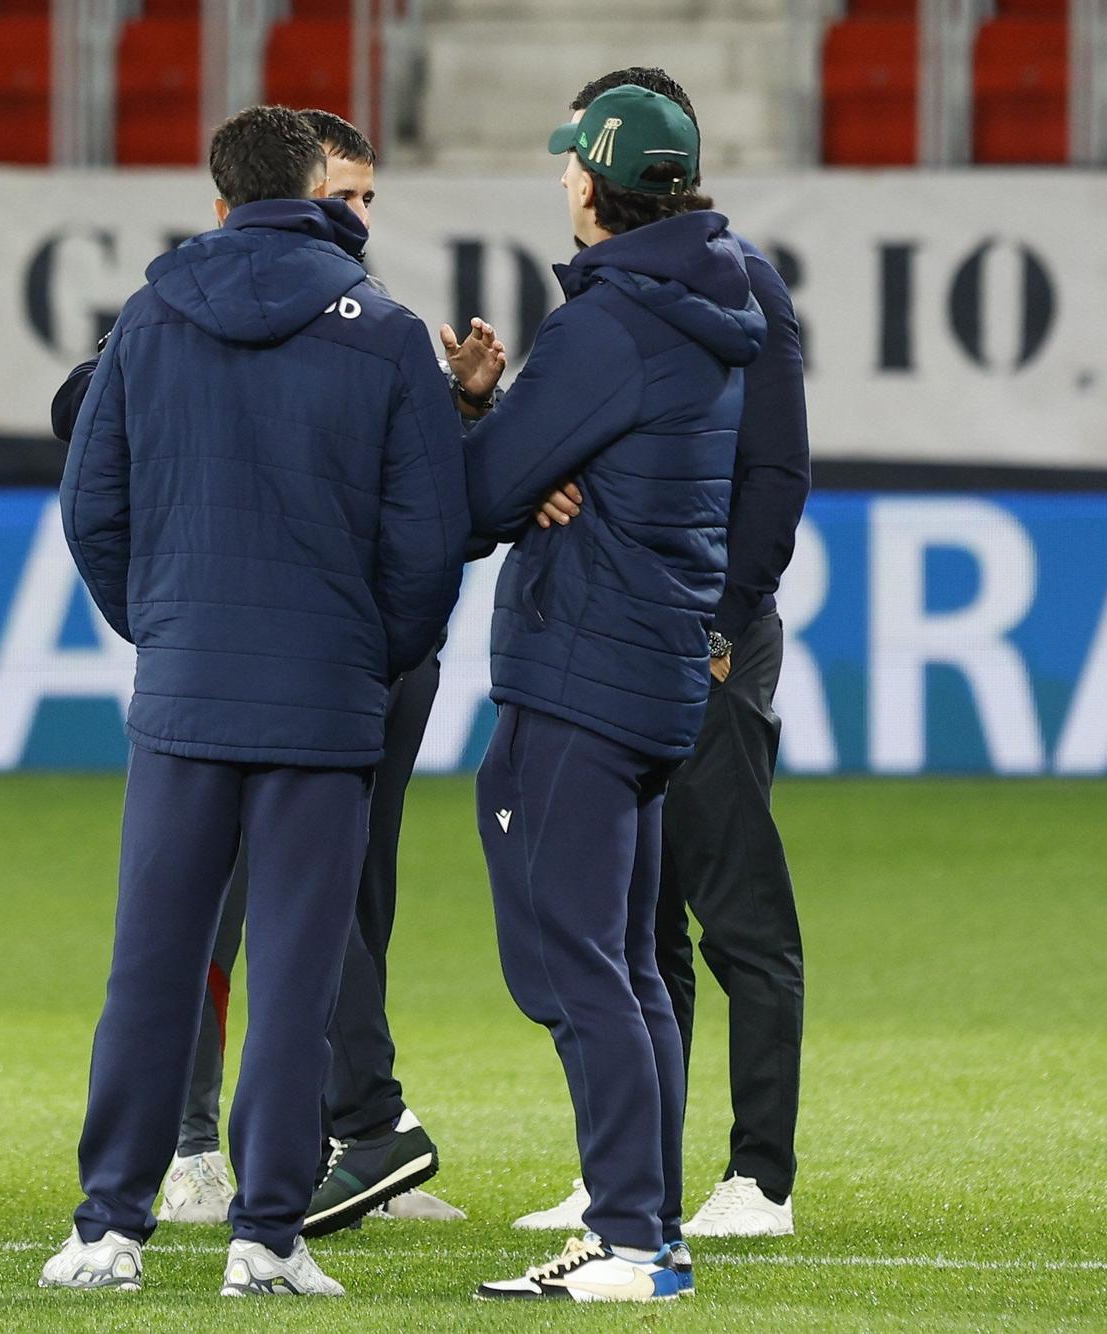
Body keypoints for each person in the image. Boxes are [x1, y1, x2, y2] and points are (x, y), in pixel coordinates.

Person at [38, 105, 469, 1298]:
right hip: (323, 704)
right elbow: (426, 541)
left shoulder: (148, 317)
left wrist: (164, 627)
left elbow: (91, 502)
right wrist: (367, 653)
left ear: (220, 199)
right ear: (322, 198)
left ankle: (107, 1228)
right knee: (292, 977)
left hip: (185, 691)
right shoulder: (387, 334)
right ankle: (267, 1238)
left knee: (151, 967)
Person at [457, 86, 766, 1301]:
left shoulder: (607, 324)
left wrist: (486, 422)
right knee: (625, 961)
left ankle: (632, 1237)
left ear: (589, 182)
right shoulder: (706, 305)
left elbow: (486, 493)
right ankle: (644, 1229)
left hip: (581, 665)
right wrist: (538, 458)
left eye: (566, 169)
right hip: (645, 664)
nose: (559, 184)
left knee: (572, 959)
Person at [510, 66, 811, 1243]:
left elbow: (774, 469)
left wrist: (723, 619)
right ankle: (631, 1173)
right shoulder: (643, 291)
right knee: (637, 917)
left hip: (704, 632)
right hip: (642, 631)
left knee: (734, 904)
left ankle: (759, 1176)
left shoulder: (739, 286)